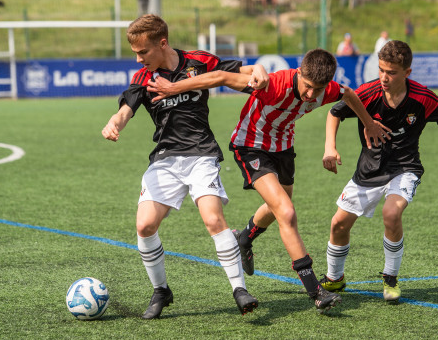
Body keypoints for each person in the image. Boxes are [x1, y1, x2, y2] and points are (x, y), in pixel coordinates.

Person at [147, 48, 391, 314]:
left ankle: (246, 237)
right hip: (250, 146)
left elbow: (348, 94)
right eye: (307, 86)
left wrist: (368, 123)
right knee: (286, 211)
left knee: (279, 209)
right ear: (299, 73)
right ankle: (315, 290)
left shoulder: (327, 90)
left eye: (317, 89)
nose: (311, 95)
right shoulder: (273, 85)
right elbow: (219, 77)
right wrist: (174, 87)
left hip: (283, 147)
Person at [101, 14, 265, 319]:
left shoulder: (199, 61)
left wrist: (260, 72)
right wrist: (115, 122)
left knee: (213, 219)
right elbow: (127, 109)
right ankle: (161, 290)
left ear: (162, 43)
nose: (138, 60)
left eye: (143, 52)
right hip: (165, 158)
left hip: (201, 153)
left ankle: (240, 290)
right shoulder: (143, 78)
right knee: (144, 225)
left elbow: (246, 73)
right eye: (134, 53)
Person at [320, 40, 438, 300]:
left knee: (392, 213)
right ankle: (335, 279)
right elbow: (335, 112)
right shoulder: (367, 93)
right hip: (369, 169)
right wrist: (329, 148)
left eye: (391, 72)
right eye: (381, 70)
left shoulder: (422, 98)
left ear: (407, 73)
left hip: (405, 168)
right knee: (338, 225)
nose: (384, 77)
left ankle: (390, 279)